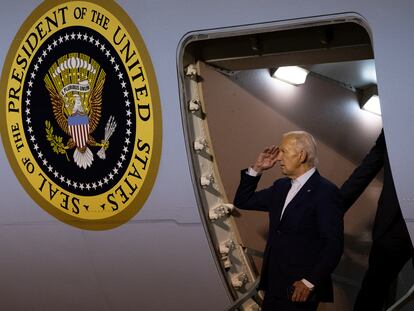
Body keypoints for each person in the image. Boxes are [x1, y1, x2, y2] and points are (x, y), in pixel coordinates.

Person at [234, 131, 343, 311]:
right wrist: (257, 168)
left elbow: (333, 245)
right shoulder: (281, 186)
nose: (278, 158)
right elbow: (243, 201)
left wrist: (309, 282)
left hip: (300, 289)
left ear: (301, 155)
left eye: (283, 151)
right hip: (274, 283)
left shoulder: (326, 192)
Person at [340, 129, 414, 311]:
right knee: (372, 292)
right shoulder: (397, 115)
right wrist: (334, 208)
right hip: (394, 223)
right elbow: (371, 163)